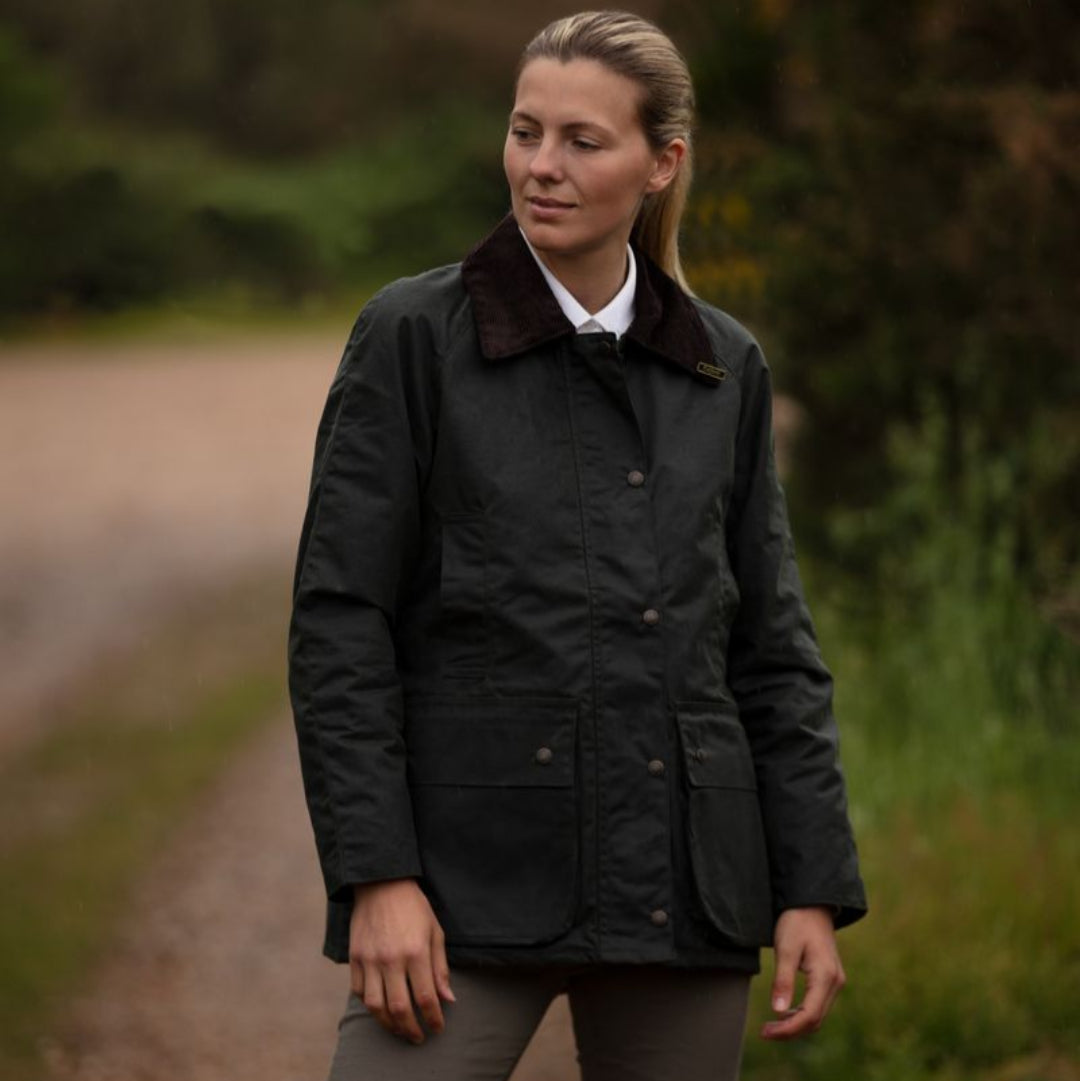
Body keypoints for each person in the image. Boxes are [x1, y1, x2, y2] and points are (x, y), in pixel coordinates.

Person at [288, 10, 867, 1081]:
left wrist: (809, 885)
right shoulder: (412, 337)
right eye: (524, 131)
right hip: (466, 882)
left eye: (581, 141)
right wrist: (376, 875)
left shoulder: (720, 366)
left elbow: (771, 647)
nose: (540, 167)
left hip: (683, 889)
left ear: (663, 163)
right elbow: (340, 619)